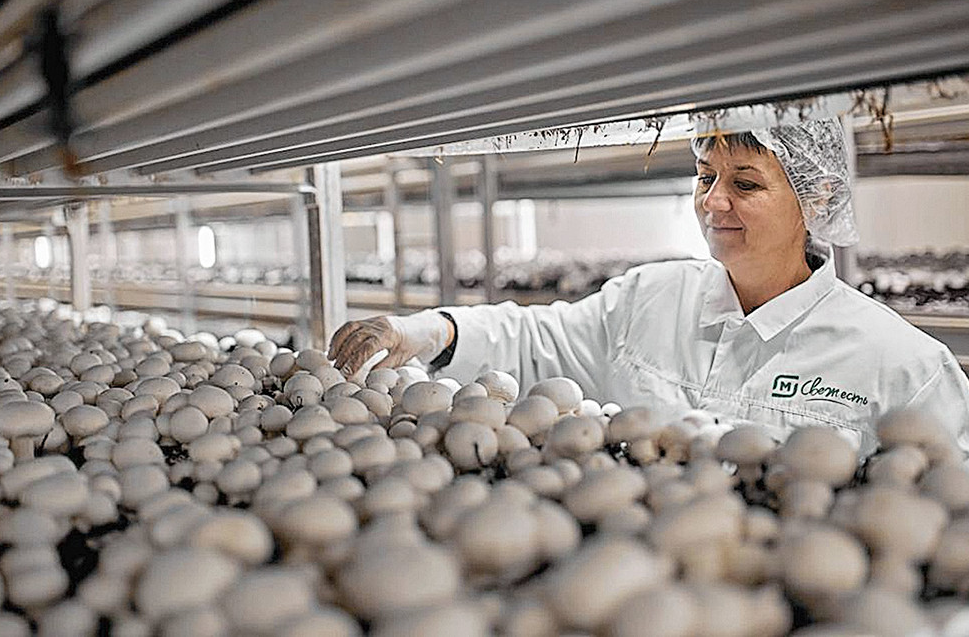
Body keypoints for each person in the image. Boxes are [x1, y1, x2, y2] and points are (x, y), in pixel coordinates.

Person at [329, 118, 969, 458]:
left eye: (745, 184)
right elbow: (535, 339)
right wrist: (423, 331)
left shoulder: (905, 367)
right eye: (704, 175)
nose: (713, 201)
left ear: (818, 195)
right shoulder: (652, 298)